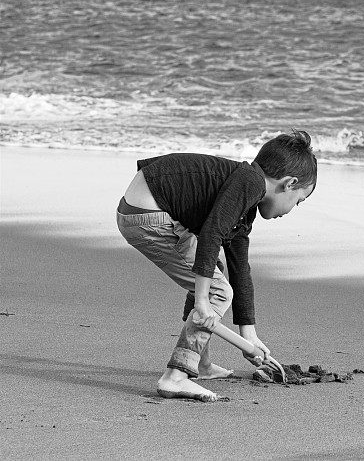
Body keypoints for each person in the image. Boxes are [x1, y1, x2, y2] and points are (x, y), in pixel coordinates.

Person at [116, 130, 317, 401]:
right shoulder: (250, 182)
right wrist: (202, 299)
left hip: (141, 209)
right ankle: (176, 377)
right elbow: (211, 234)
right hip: (150, 216)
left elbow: (240, 270)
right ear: (289, 184)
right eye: (298, 202)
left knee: (216, 272)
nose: (291, 210)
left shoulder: (244, 200)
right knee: (216, 291)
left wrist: (250, 337)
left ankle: (200, 363)